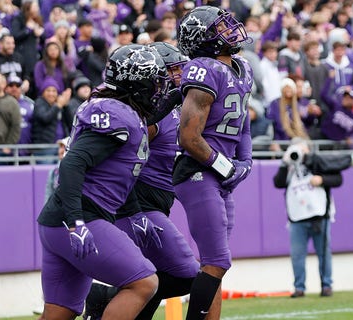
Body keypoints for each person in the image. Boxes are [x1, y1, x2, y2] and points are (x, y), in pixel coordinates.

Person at [36, 44, 169, 320]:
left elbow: (120, 176)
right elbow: (72, 164)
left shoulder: (121, 111)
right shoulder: (117, 113)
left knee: (59, 312)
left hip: (58, 221)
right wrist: (76, 222)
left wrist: (134, 214)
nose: (158, 90)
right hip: (80, 217)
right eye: (153, 82)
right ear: (136, 83)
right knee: (144, 282)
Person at [83, 41, 200, 320]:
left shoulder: (168, 107)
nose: (179, 76)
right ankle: (105, 297)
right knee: (187, 273)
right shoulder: (147, 115)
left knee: (149, 278)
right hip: (140, 201)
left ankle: (110, 302)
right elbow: (124, 158)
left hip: (156, 200)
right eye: (173, 70)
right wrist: (134, 211)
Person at [174, 6, 253, 319]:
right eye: (220, 28)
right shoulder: (204, 68)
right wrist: (225, 165)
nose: (230, 31)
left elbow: (243, 123)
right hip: (198, 170)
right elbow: (189, 137)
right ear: (203, 39)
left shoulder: (241, 67)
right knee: (218, 260)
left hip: (220, 173)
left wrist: (245, 162)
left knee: (214, 265)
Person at [273, 138, 353, 299]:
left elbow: (338, 179)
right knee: (297, 254)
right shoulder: (289, 167)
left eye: (302, 150)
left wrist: (322, 180)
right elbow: (278, 182)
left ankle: (326, 285)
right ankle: (299, 288)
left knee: (324, 253)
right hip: (297, 218)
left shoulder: (319, 163)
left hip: (319, 215)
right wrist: (285, 162)